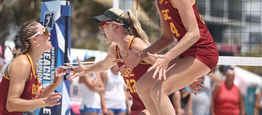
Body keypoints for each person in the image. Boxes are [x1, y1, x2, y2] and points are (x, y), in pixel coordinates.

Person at [112, 0, 219, 114]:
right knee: (143, 86)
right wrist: (140, 56)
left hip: (203, 53)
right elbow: (167, 38)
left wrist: (166, 58)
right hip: (187, 54)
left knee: (158, 90)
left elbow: (194, 34)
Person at [67, 8, 205, 115]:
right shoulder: (114, 49)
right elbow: (103, 65)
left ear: (116, 27)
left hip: (150, 103)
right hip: (137, 104)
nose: (100, 28)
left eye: (104, 24)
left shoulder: (136, 45)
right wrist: (83, 70)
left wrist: (186, 79)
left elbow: (160, 62)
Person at [0, 20, 66, 114]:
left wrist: (55, 84)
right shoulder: (23, 63)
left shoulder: (32, 64)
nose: (49, 34)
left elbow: (34, 100)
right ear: (34, 40)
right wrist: (44, 102)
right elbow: (11, 104)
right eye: (45, 31)